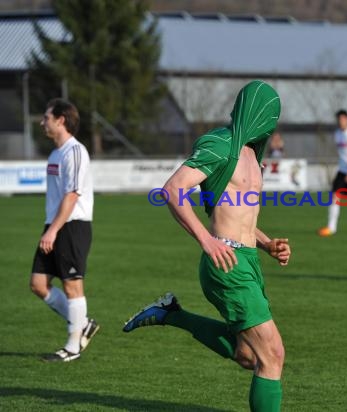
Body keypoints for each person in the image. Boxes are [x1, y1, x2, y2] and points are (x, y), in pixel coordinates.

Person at [122, 81, 291, 412]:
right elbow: (173, 190)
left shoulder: (253, 156)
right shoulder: (220, 144)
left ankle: (171, 314)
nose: (271, 122)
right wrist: (206, 239)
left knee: (247, 355)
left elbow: (241, 216)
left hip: (248, 261)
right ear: (256, 111)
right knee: (273, 355)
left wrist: (268, 244)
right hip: (226, 263)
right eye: (269, 113)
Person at [29, 98, 99, 362]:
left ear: (61, 119)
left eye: (46, 117)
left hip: (72, 226)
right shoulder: (55, 153)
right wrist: (50, 228)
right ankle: (83, 323)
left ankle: (73, 347)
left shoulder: (75, 151)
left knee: (72, 285)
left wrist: (52, 231)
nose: (42, 121)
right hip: (55, 225)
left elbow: (72, 195)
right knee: (38, 284)